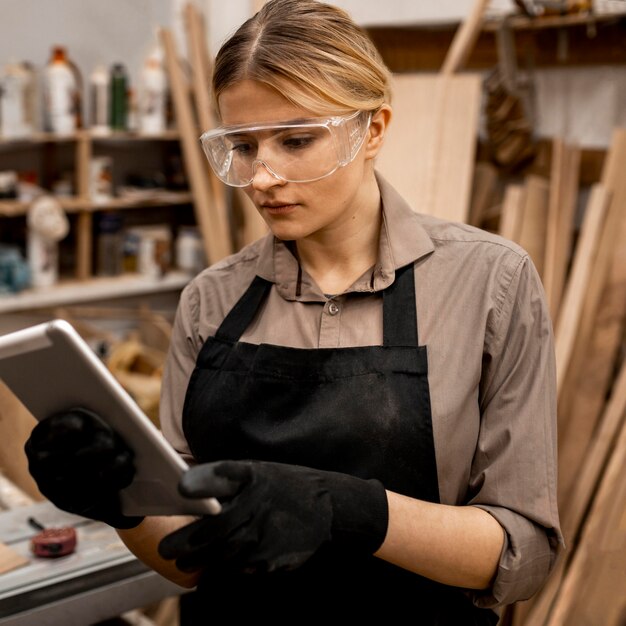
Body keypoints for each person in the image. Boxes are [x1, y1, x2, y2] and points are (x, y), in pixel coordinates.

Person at [24, 0, 563, 623]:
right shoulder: (212, 299)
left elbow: (523, 557)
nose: (262, 176)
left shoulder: (489, 280)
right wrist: (126, 503)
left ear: (374, 130)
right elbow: (189, 558)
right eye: (242, 147)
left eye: (296, 140)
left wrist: (352, 510)